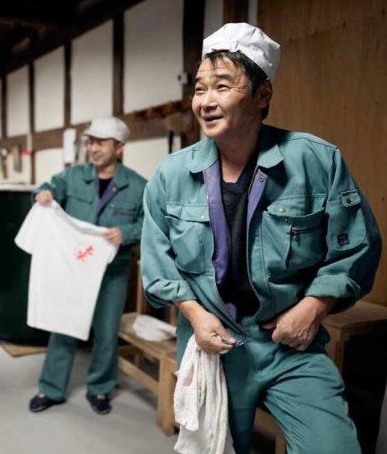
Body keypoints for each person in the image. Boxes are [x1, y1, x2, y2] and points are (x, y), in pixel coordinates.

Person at [141, 22, 382, 453]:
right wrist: (194, 314)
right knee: (217, 445)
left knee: (334, 447)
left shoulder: (315, 161)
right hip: (211, 344)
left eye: (222, 86)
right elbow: (158, 260)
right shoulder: (171, 175)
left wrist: (313, 307)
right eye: (199, 89)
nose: (206, 101)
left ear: (262, 94)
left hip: (291, 345)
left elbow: (358, 246)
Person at [28, 116, 147, 415]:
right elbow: (48, 187)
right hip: (75, 269)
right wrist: (42, 193)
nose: (93, 148)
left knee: (106, 332)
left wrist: (128, 233)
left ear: (119, 148)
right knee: (64, 325)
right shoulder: (72, 177)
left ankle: (101, 389)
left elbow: (151, 224)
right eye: (91, 142)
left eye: (100, 142)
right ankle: (51, 388)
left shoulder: (137, 186)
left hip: (113, 272)